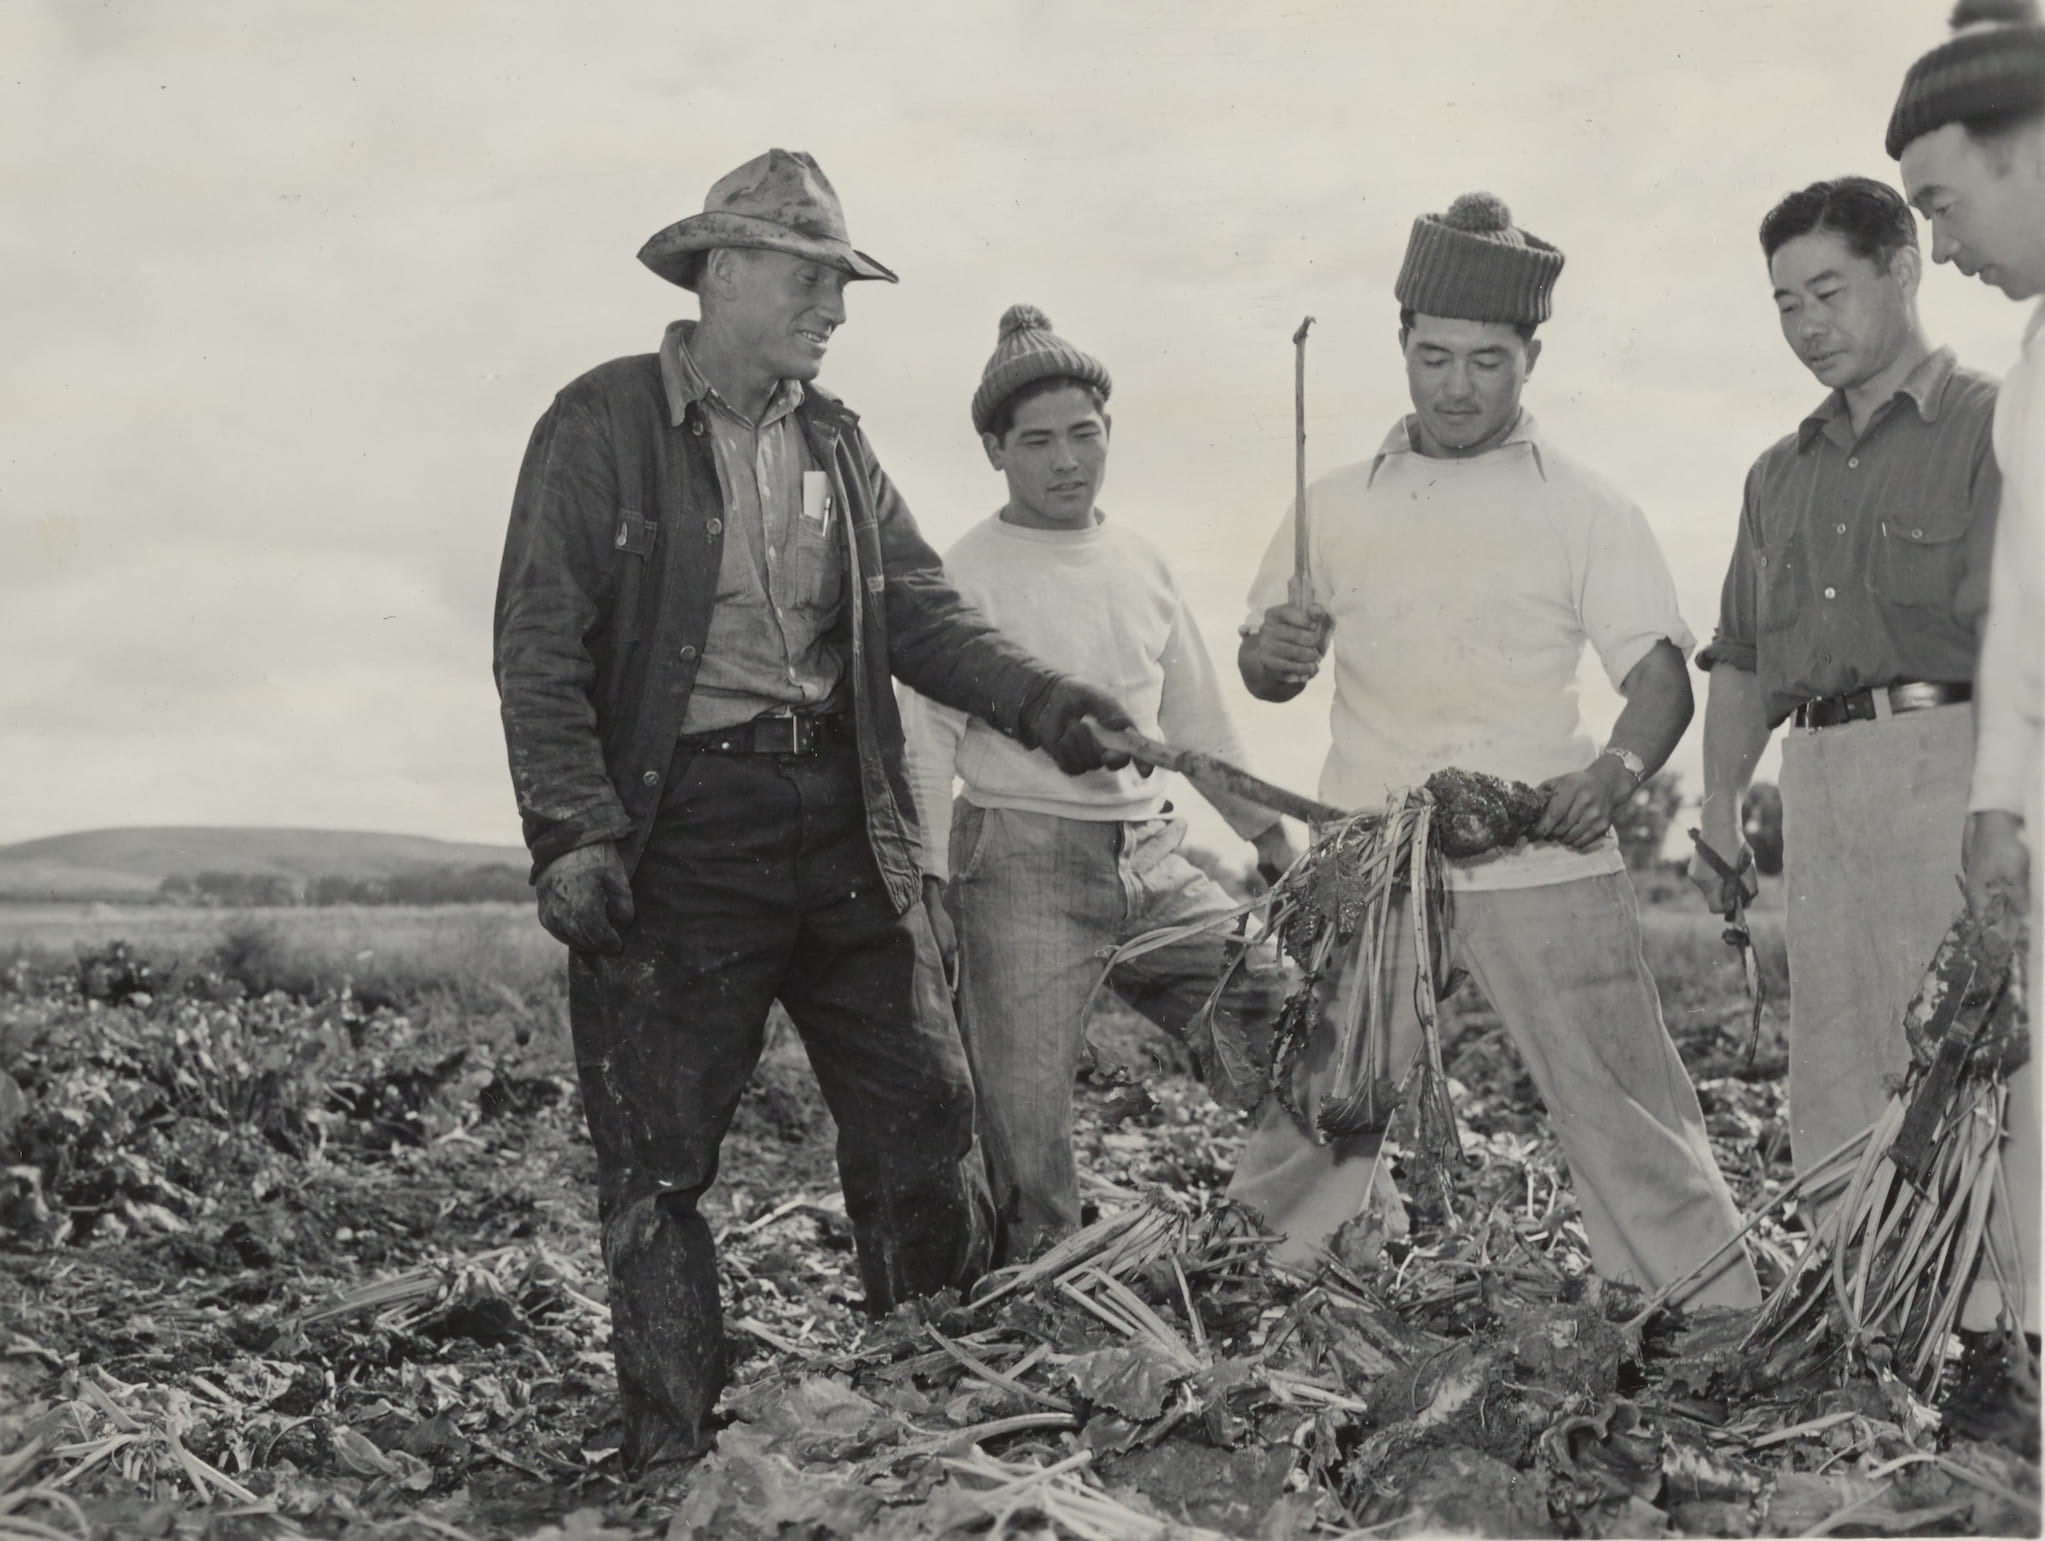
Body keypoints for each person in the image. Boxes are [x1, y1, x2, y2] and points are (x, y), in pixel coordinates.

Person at [492, 150, 1135, 1472]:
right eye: (810, 279)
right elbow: (537, 643)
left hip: (841, 817)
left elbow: (928, 619)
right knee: (657, 1157)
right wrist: (572, 829)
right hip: (682, 832)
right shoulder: (600, 424)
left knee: (922, 1116)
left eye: (842, 282)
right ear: (721, 273)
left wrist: (1054, 703)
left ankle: (929, 1412)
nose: (834, 308)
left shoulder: (834, 440)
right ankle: (675, 1460)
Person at [1230, 193, 1759, 1307]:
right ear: (1402, 346)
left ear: (1530, 355)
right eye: (1433, 358)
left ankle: (1706, 1309)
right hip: (1372, 855)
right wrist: (1274, 655)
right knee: (1325, 1092)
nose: (1456, 387)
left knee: (1620, 1095)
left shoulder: (1583, 505)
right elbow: (1266, 669)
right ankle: (1259, 1287)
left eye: (1485, 361)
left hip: (1539, 850)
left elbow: (1656, 679)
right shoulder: (1328, 504)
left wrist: (1609, 778)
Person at [1686, 171, 2034, 1337]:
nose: (1805, 325)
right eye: (1783, 303)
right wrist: (1722, 805)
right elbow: (1738, 657)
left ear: (1903, 267)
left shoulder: (1998, 424)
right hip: (1820, 782)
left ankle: (2009, 1343)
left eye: (1827, 290)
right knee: (1837, 1061)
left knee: (1990, 1053)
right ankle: (1875, 1316)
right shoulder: (1773, 475)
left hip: (1959, 759)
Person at [902, 306, 1302, 1264]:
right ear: (994, 450)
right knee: (1023, 1127)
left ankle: (1301, 1238)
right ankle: (1041, 1314)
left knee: (1282, 1013)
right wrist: (925, 890)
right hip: (1018, 865)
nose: (1065, 460)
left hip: (1154, 855)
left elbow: (1198, 723)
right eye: (1035, 441)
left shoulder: (1143, 561)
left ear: (1108, 433)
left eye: (1083, 434)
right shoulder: (958, 576)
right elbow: (923, 740)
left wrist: (1270, 838)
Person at [1890, 0, 2045, 1428]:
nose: (1941, 248)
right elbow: (2020, 608)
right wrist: (1996, 795)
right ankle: (2022, 1361)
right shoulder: (2030, 377)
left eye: (1943, 201)